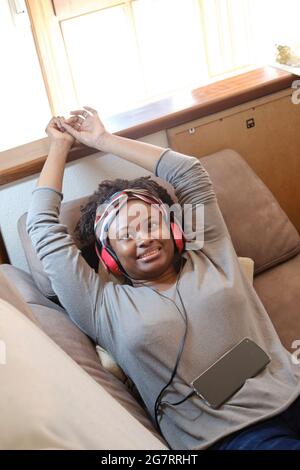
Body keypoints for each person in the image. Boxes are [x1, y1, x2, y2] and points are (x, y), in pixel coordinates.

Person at [26, 106, 300, 450]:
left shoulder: (208, 251)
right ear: (109, 256)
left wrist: (103, 140)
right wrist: (59, 147)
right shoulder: (102, 305)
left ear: (174, 227)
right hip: (235, 436)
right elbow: (41, 226)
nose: (143, 238)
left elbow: (188, 172)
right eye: (125, 234)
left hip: (292, 388)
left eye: (151, 224)